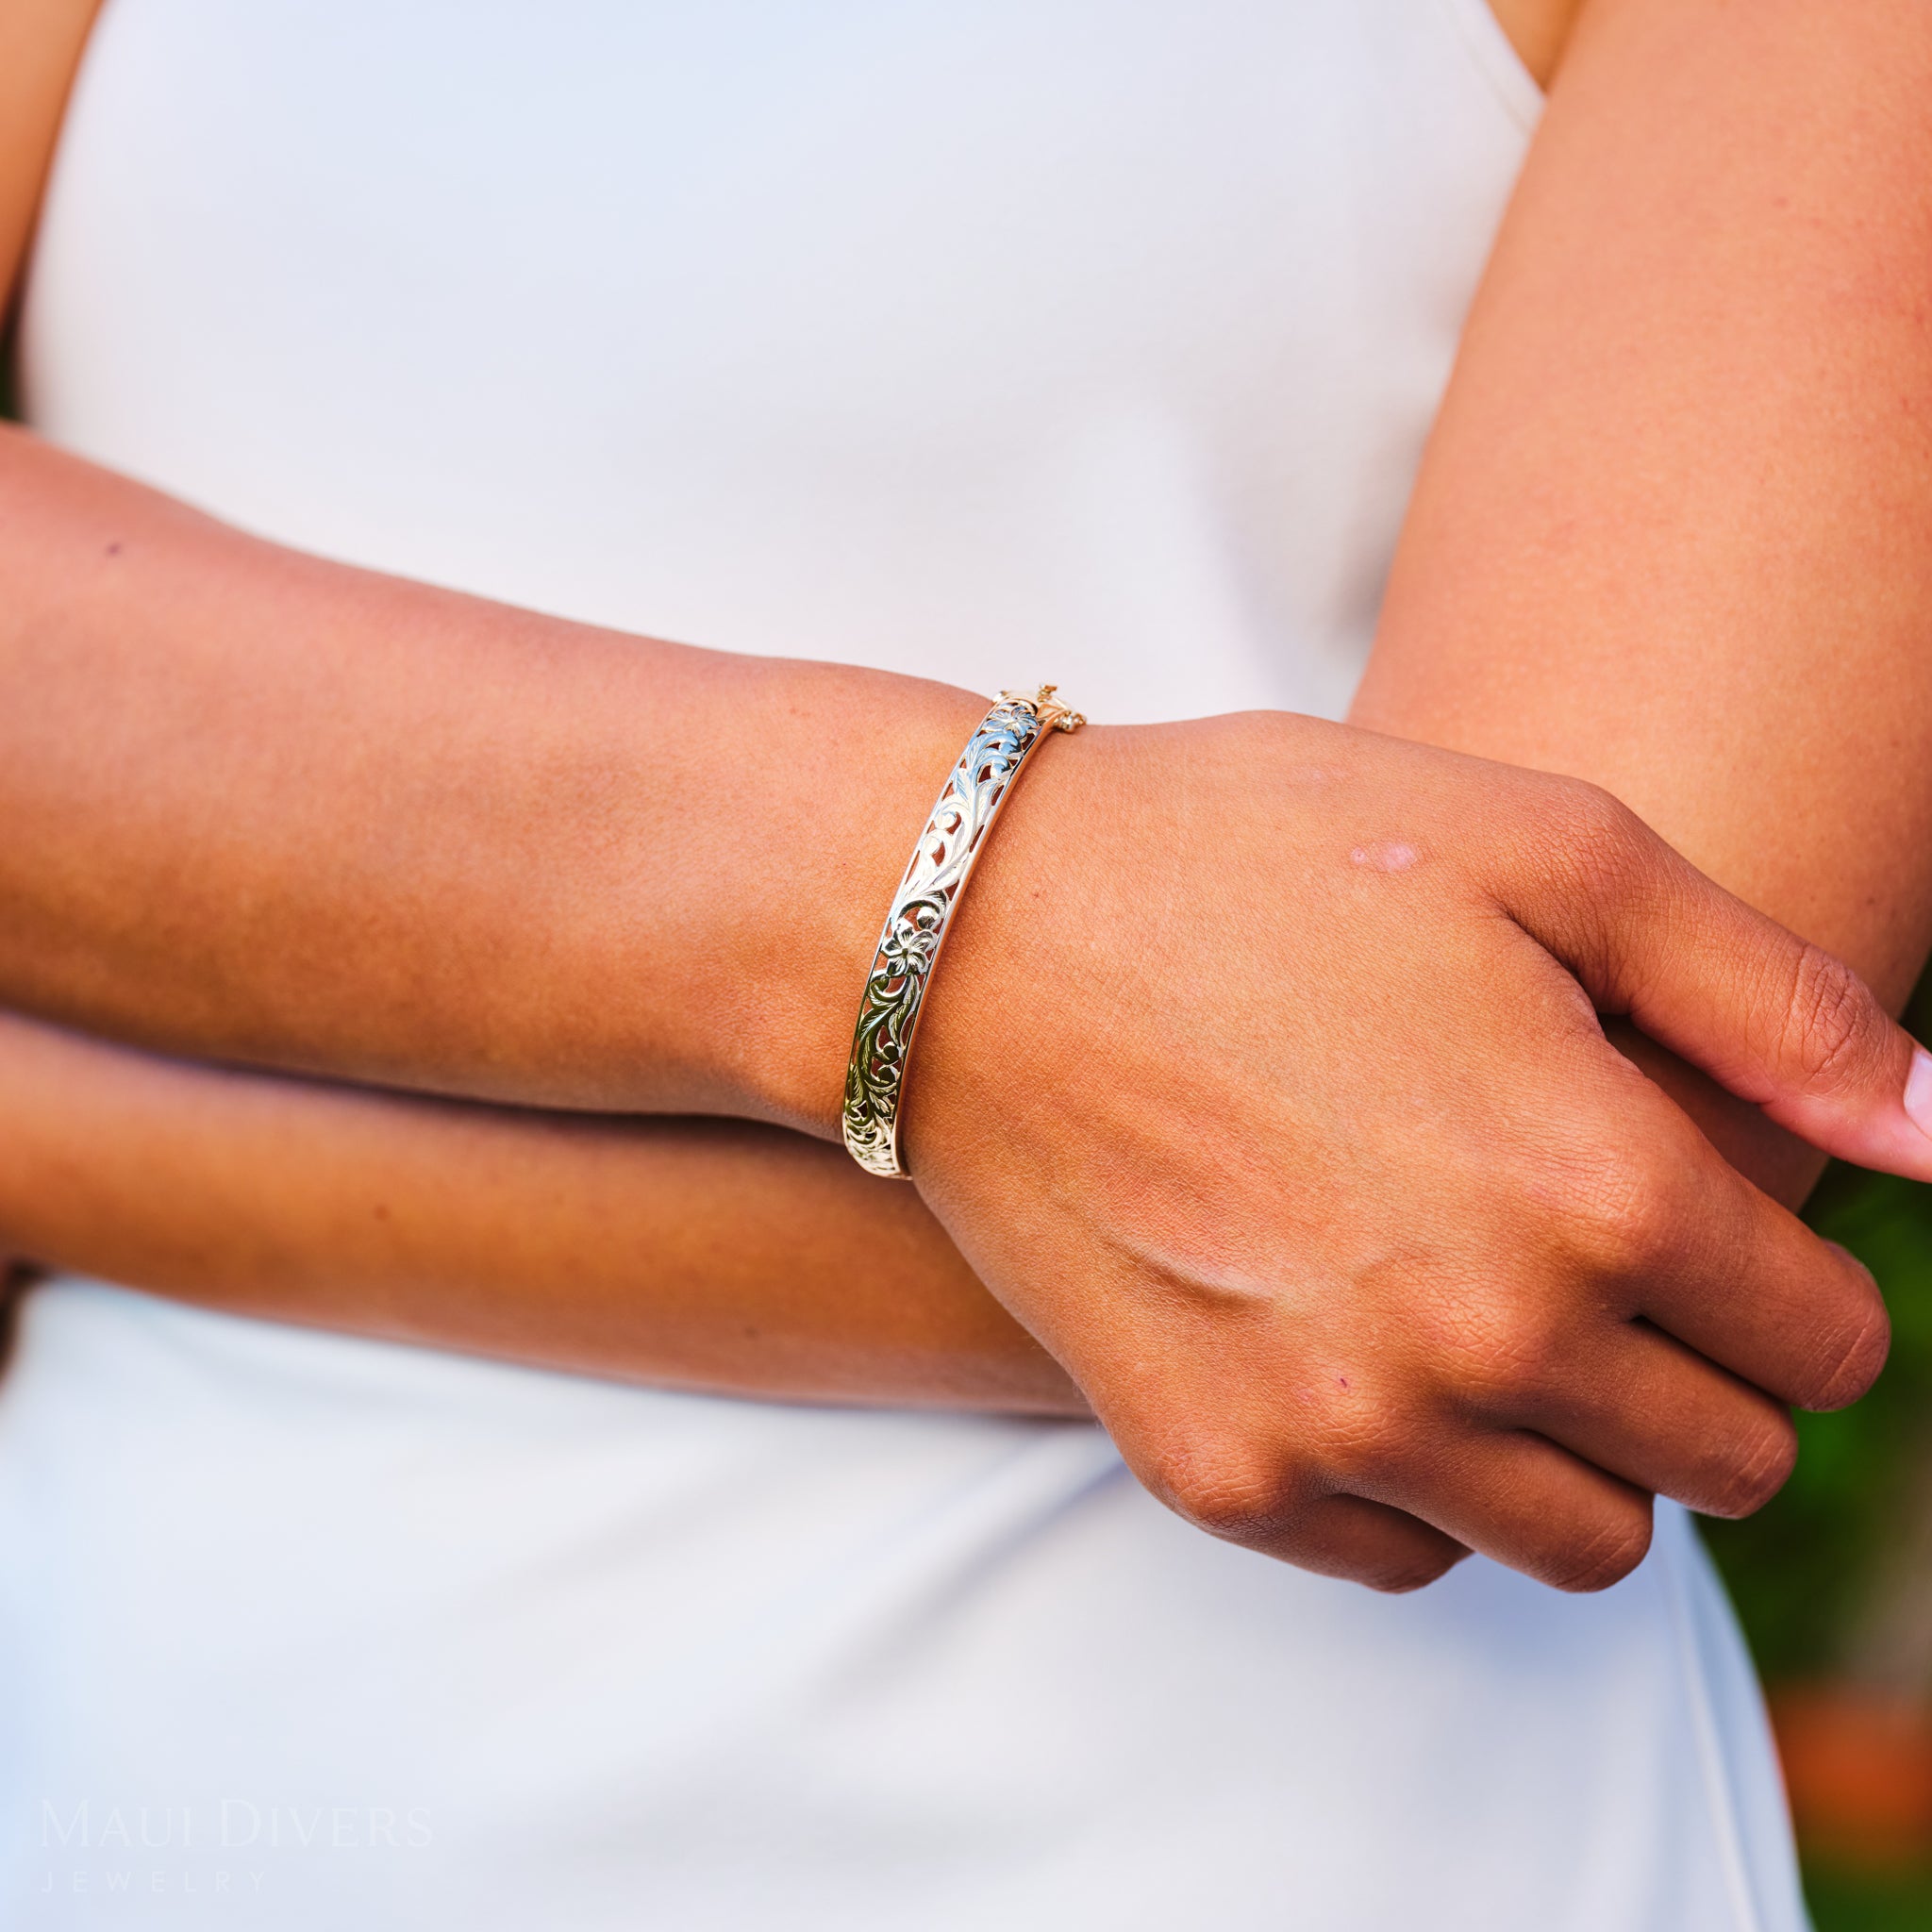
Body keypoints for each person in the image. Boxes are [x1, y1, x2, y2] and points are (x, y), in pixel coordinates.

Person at [2, 0, 1930, 1924]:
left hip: (1258, 1822)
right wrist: (968, 930)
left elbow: (1534, 1187)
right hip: (192, 1773)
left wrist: (61, 1116)